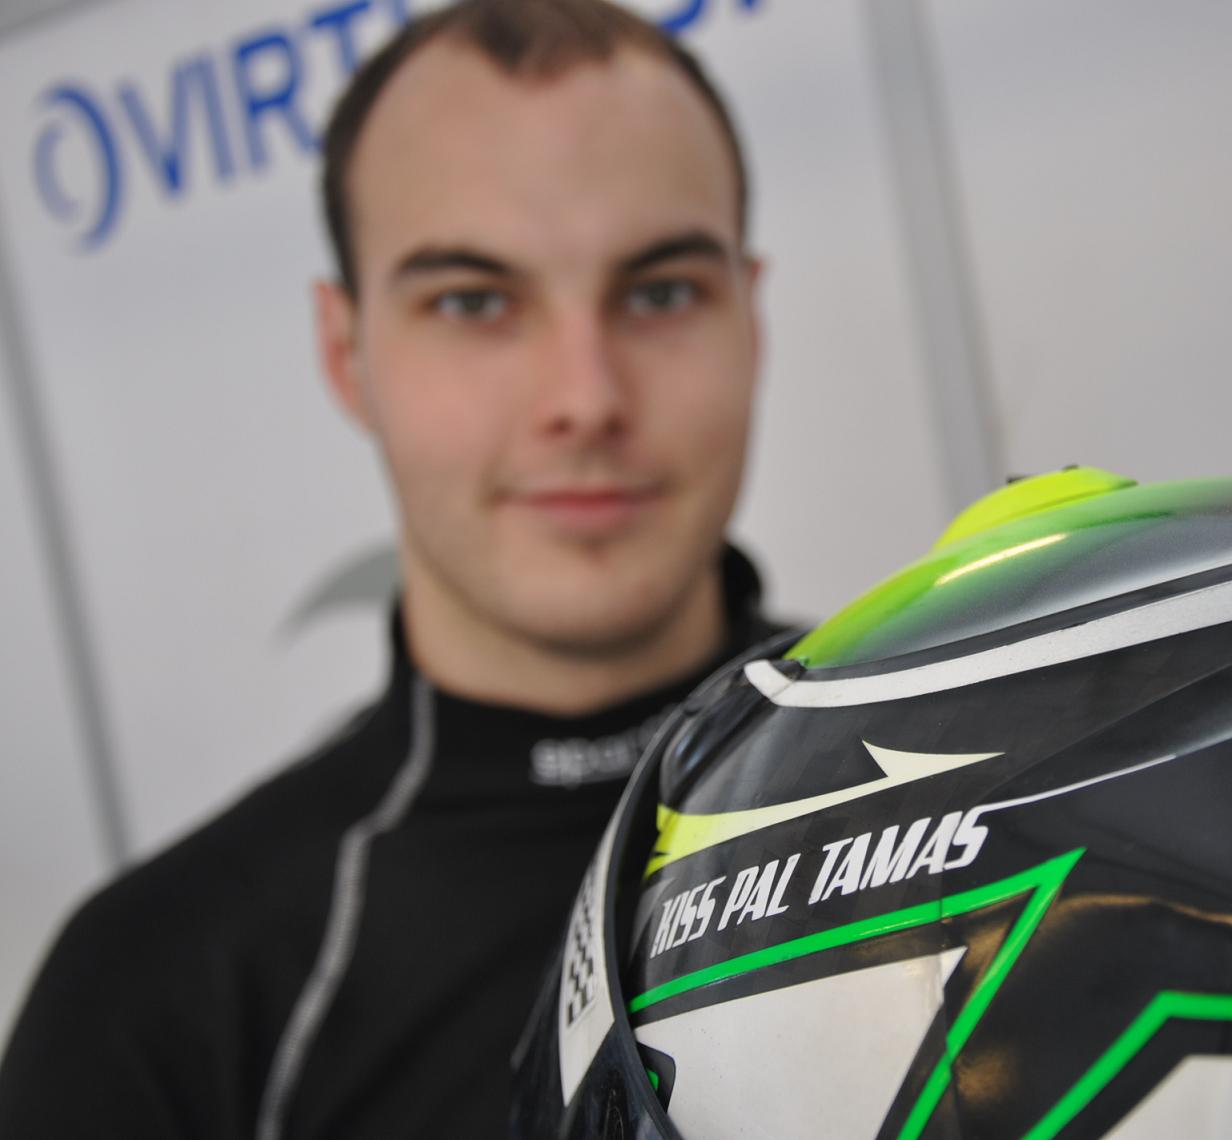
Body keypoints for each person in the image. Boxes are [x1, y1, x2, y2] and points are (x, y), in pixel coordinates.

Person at [0, 2, 782, 1135]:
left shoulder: (990, 776)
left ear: (750, 318)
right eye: (473, 302)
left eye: (660, 292)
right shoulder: (155, 1001)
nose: (586, 398)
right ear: (346, 352)